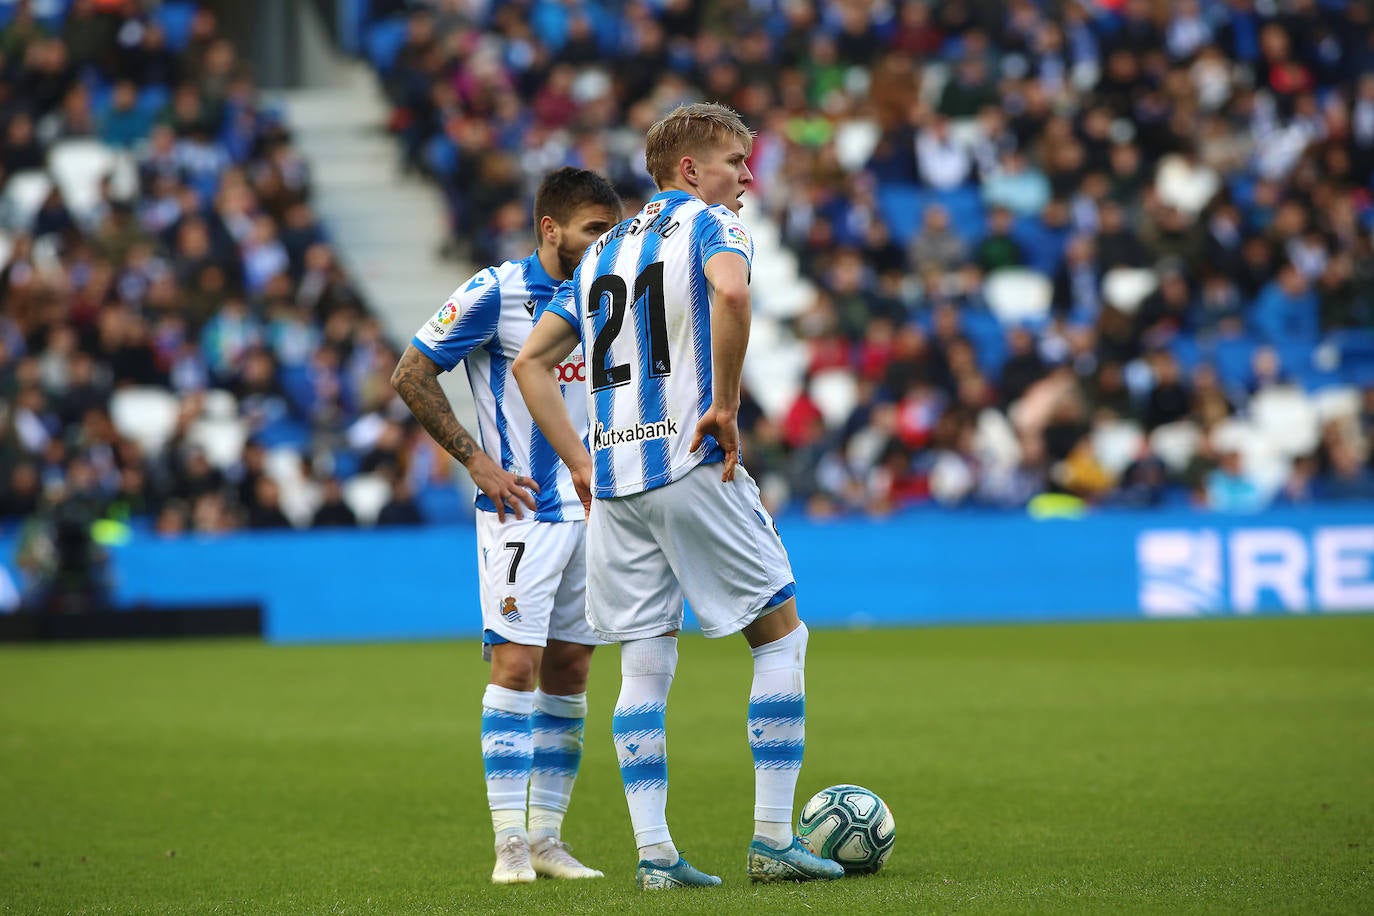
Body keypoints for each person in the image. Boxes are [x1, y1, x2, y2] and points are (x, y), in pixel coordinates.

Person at [512, 103, 844, 889]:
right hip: (692, 464)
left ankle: (656, 855)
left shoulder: (600, 252)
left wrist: (580, 462)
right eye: (734, 161)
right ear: (689, 171)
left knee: (644, 666)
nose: (746, 177)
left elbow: (531, 363)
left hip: (617, 486)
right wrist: (725, 404)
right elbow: (730, 297)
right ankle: (770, 837)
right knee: (780, 637)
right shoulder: (708, 225)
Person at [390, 167, 621, 885]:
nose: (602, 244)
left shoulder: (610, 293)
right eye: (591, 231)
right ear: (551, 230)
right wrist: (478, 462)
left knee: (573, 668)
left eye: (610, 231)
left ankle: (549, 839)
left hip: (599, 513)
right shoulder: (499, 290)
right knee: (515, 666)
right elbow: (411, 374)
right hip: (523, 512)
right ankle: (509, 845)